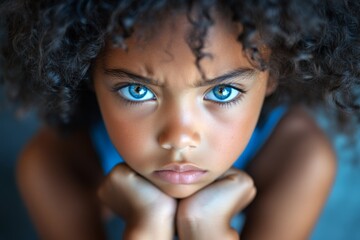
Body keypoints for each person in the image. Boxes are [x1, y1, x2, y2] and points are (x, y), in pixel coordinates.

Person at [0, 0, 359, 239]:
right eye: (137, 91)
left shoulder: (300, 159)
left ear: (274, 74)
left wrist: (208, 228)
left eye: (222, 92)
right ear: (86, 72)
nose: (180, 137)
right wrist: (147, 229)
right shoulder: (54, 166)